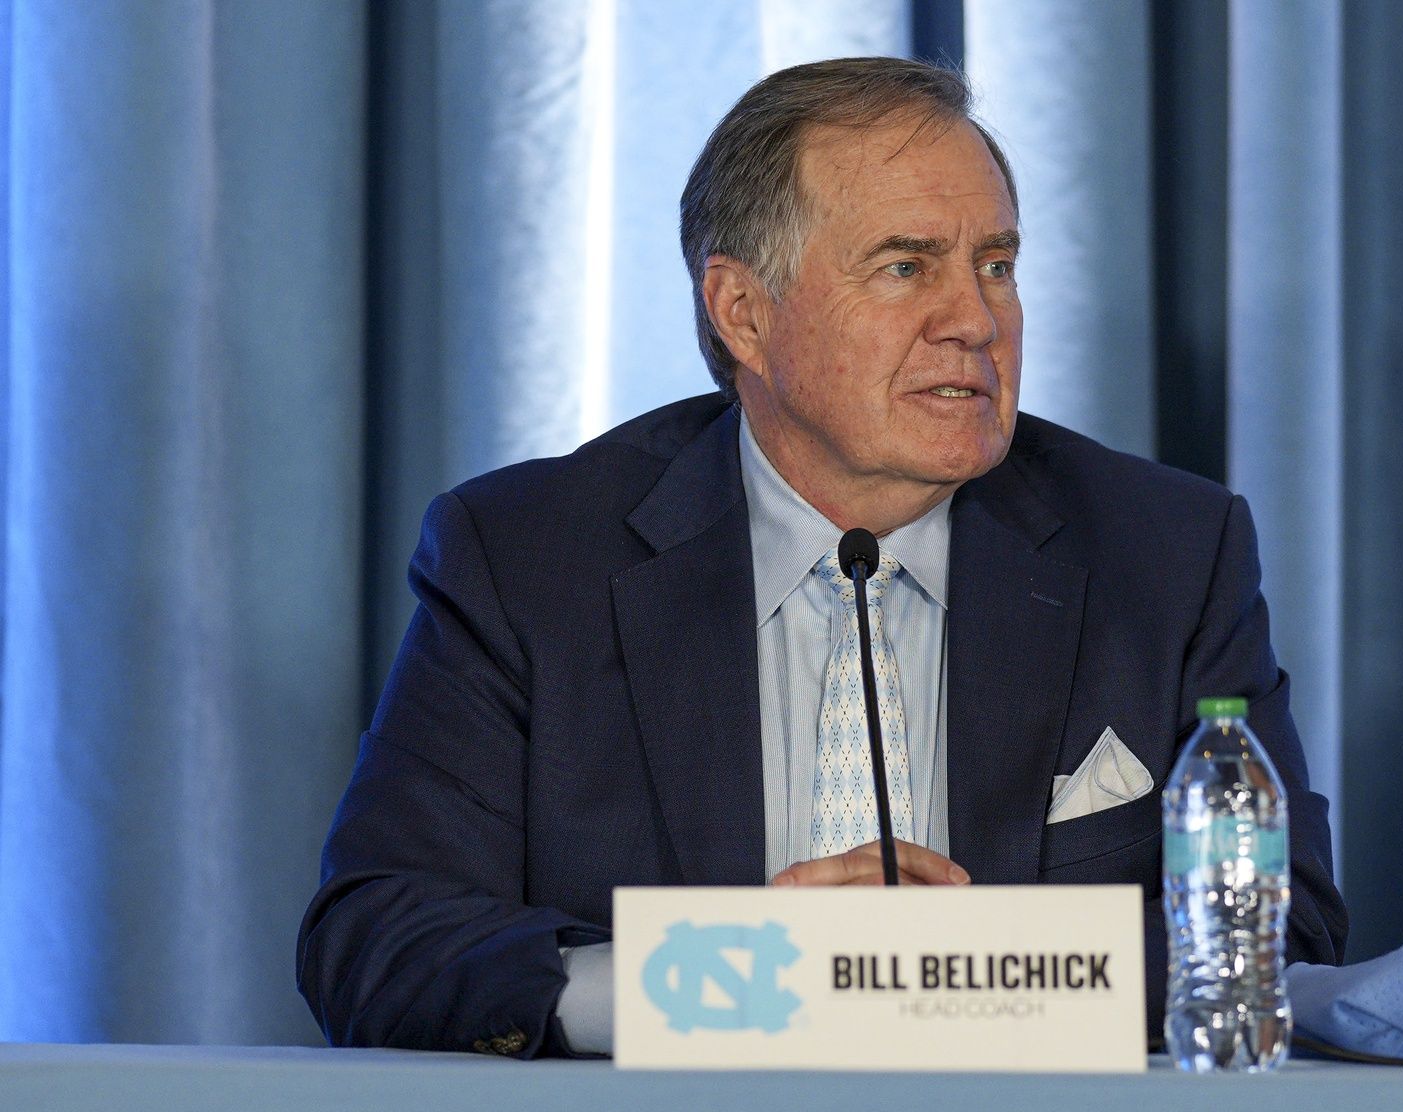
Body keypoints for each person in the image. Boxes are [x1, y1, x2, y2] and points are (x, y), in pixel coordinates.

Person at [297, 57, 1347, 1058]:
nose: (975, 321)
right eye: (905, 267)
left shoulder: (1164, 551)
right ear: (743, 312)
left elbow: (1279, 933)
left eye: (996, 265)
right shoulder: (529, 557)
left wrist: (962, 978)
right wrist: (733, 979)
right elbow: (379, 940)